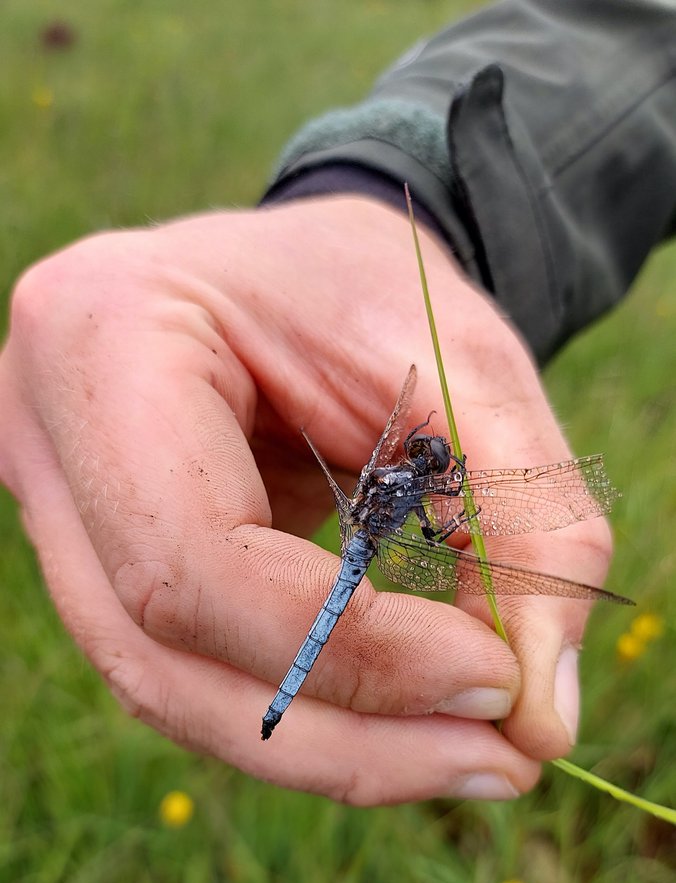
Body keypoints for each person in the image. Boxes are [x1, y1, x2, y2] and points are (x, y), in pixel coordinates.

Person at [0, 0, 674, 805]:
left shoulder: (396, 474)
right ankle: (288, 697)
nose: (434, 456)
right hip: (367, 540)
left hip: (369, 531)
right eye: (429, 458)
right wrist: (399, 194)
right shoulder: (406, 487)